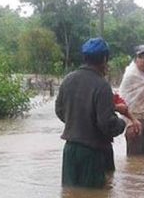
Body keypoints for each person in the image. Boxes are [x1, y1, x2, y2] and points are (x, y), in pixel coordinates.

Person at [55, 37, 138, 188]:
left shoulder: (68, 80)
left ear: (85, 57)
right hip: (92, 153)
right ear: (104, 59)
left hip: (70, 150)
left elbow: (60, 111)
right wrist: (123, 122)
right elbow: (107, 125)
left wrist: (77, 122)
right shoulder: (102, 85)